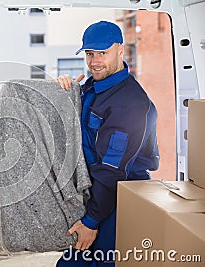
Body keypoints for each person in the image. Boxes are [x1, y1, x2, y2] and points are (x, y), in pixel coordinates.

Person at [55, 21, 159, 266]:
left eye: (103, 53)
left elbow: (112, 169)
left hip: (120, 197)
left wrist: (92, 221)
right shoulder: (93, 87)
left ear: (120, 50)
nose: (95, 61)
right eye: (90, 54)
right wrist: (66, 93)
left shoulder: (129, 103)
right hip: (98, 192)